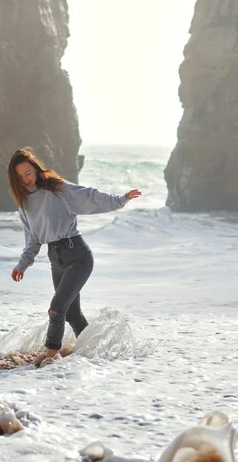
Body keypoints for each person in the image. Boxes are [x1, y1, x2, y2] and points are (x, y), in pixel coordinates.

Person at [7, 147, 141, 366]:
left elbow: (88, 197)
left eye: (28, 173)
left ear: (36, 169)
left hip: (77, 255)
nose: (26, 179)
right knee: (71, 314)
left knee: (56, 308)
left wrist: (120, 199)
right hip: (55, 259)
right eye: (20, 177)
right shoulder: (24, 205)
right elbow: (33, 240)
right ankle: (95, 353)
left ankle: (51, 355)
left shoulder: (57, 189)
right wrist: (22, 265)